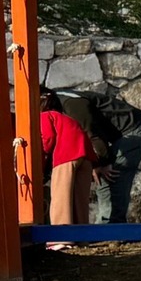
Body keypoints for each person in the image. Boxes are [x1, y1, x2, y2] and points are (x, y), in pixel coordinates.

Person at [61, 85, 141, 224]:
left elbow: (93, 133)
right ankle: (107, 227)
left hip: (133, 130)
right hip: (118, 134)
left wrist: (102, 163)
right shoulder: (63, 99)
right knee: (103, 177)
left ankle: (112, 227)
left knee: (112, 175)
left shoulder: (70, 104)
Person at [40, 89, 94, 235]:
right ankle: (82, 236)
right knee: (80, 199)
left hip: (66, 155)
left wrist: (42, 156)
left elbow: (48, 139)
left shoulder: (45, 116)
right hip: (86, 156)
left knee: (61, 197)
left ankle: (60, 237)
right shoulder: (66, 118)